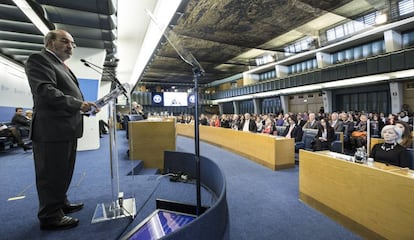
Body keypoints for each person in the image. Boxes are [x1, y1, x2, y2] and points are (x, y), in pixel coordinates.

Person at [25, 29, 99, 230]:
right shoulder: (39, 60)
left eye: (72, 43)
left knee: (63, 172)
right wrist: (78, 104)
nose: (70, 46)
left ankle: (61, 203)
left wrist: (84, 106)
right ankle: (49, 216)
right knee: (50, 174)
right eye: (65, 41)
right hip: (51, 130)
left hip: (66, 128)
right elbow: (45, 91)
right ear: (50, 43)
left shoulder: (61, 65)